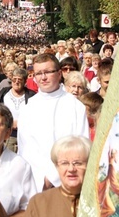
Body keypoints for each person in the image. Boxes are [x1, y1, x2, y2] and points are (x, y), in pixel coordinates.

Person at [17, 54, 89, 192]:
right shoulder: (28, 107)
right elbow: (24, 148)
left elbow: (81, 147)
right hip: (33, 182)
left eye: (48, 72)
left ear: (59, 73)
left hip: (66, 181)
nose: (43, 77)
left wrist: (52, 177)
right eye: (38, 73)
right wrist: (38, 179)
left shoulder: (75, 106)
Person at [19, 135, 91, 217]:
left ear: (88, 165)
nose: (71, 169)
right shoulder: (39, 203)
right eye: (64, 163)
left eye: (78, 163)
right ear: (57, 166)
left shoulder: (99, 202)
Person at [0, 68, 36, 152]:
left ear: (25, 81)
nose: (16, 82)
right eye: (14, 79)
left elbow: (35, 116)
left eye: (20, 79)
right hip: (8, 134)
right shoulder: (4, 93)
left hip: (25, 135)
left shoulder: (32, 95)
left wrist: (21, 122)